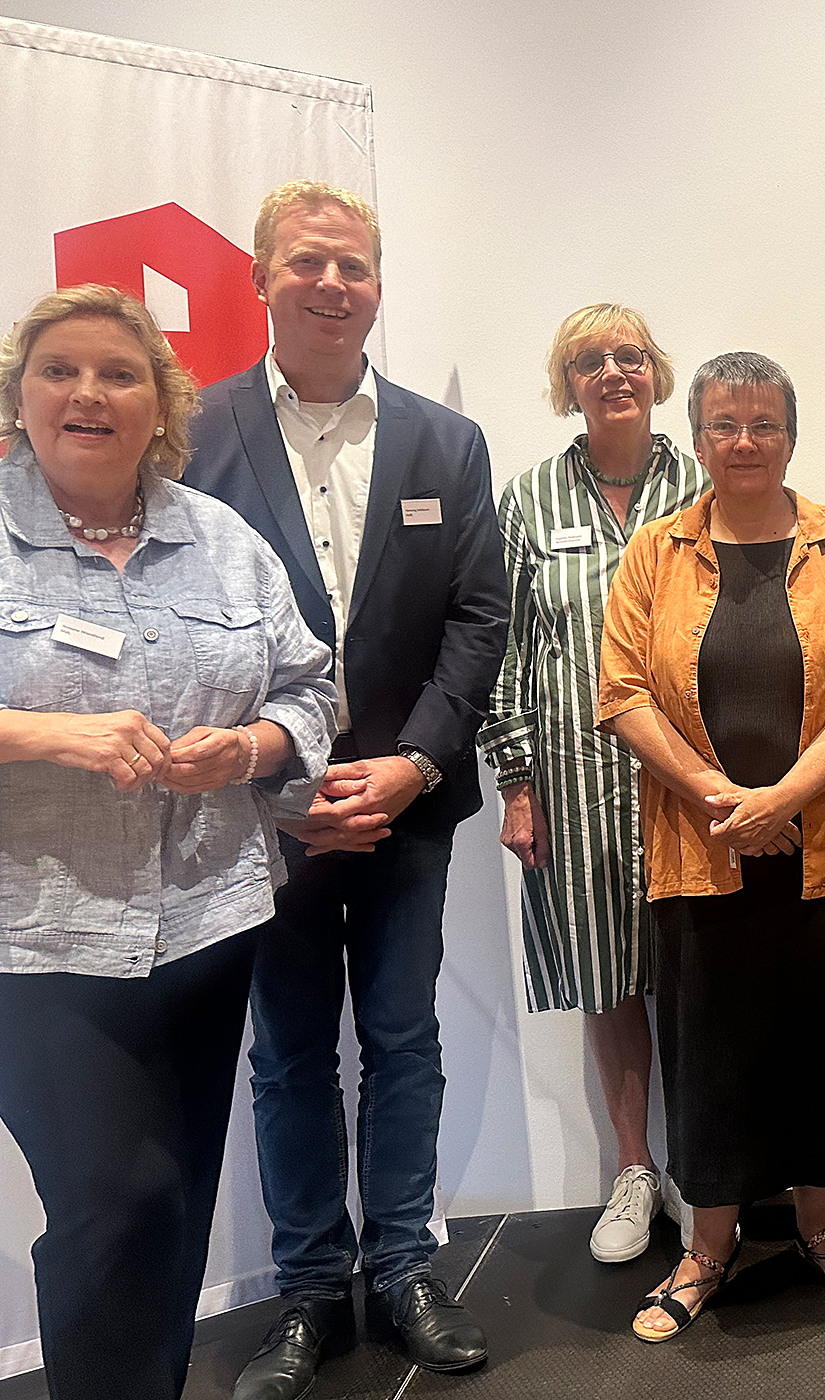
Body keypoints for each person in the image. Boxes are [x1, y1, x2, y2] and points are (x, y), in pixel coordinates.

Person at [182, 181, 510, 1397]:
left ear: (379, 284)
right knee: (286, 1055)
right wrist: (283, 783)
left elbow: (478, 618)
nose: (332, 283)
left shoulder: (445, 442)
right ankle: (311, 1289)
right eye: (308, 261)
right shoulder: (195, 435)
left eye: (354, 265)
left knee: (403, 1037)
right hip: (262, 813)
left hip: (407, 804)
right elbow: (180, 625)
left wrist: (415, 761)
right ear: (260, 277)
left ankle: (406, 1269)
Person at [0, 284, 335, 1400]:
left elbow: (308, 686)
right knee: (117, 1197)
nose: (88, 393)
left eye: (120, 373)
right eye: (60, 370)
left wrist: (249, 750)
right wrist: (49, 733)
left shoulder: (221, 538)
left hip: (207, 921)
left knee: (174, 1199)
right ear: (20, 395)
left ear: (160, 404)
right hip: (39, 943)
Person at [598, 350, 825, 1340]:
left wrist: (784, 796)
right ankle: (708, 1246)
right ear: (697, 439)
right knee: (712, 1050)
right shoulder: (654, 552)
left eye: (764, 424)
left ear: (791, 435)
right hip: (702, 850)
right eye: (725, 425)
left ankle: (824, 1227)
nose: (745, 442)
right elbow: (622, 692)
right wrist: (724, 799)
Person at [477, 303, 706, 1262]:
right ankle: (634, 1170)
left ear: (655, 371)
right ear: (566, 385)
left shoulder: (702, 483)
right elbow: (503, 645)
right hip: (575, 779)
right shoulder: (530, 500)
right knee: (608, 977)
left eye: (628, 355)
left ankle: (704, 1171)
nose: (612, 372)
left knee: (697, 973)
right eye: (589, 361)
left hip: (692, 780)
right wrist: (516, 782)